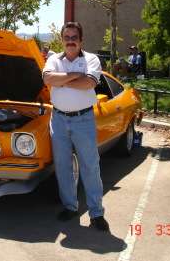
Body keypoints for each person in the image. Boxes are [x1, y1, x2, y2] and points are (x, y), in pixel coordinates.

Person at [42, 21, 109, 231]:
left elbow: (90, 83)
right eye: (67, 37)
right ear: (61, 40)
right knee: (63, 168)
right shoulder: (53, 59)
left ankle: (96, 213)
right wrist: (75, 77)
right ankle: (70, 207)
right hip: (58, 120)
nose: (70, 41)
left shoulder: (91, 59)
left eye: (74, 38)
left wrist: (60, 81)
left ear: (81, 40)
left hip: (84, 120)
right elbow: (46, 78)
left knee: (90, 167)